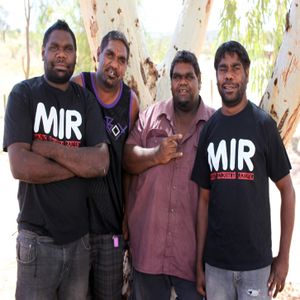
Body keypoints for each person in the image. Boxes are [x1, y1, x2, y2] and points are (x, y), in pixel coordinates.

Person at [3, 20, 110, 300]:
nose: (61, 54)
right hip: (36, 241)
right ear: (43, 52)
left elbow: (100, 163)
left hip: (79, 241)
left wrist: (48, 149)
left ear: (76, 55)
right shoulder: (23, 94)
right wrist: (79, 166)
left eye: (68, 49)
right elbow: (20, 166)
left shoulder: (85, 101)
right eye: (54, 48)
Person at [191, 40, 295, 299]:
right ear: (215, 75)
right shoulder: (209, 130)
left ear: (246, 73)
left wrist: (283, 258)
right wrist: (199, 263)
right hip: (216, 265)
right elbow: (203, 201)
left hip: (256, 266)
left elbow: (288, 192)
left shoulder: (263, 125)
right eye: (222, 68)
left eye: (235, 68)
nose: (228, 75)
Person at [123, 50, 214, 300]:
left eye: (189, 76)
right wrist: (155, 154)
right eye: (176, 77)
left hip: (193, 255)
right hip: (148, 248)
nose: (182, 82)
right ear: (170, 81)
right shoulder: (151, 117)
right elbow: (127, 158)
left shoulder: (215, 125)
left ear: (199, 80)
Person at [72, 30, 139, 299]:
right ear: (97, 55)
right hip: (74, 224)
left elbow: (128, 163)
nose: (114, 64)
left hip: (110, 224)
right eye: (109, 55)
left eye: (121, 60)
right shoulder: (79, 85)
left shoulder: (131, 102)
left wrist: (127, 213)